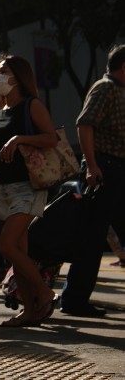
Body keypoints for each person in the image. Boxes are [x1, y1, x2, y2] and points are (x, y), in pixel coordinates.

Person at [0, 55, 58, 327]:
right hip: (5, 188)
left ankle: (45, 292)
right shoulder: (2, 112)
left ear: (18, 76)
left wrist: (20, 137)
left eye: (3, 71)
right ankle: (29, 311)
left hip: (29, 186)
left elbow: (52, 138)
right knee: (18, 251)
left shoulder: (32, 105)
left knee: (7, 245)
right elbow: (2, 155)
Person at [61, 44, 125, 317]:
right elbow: (84, 123)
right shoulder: (105, 88)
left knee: (98, 235)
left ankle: (75, 298)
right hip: (105, 168)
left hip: (116, 167)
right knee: (92, 237)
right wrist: (93, 166)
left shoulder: (118, 90)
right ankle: (74, 300)